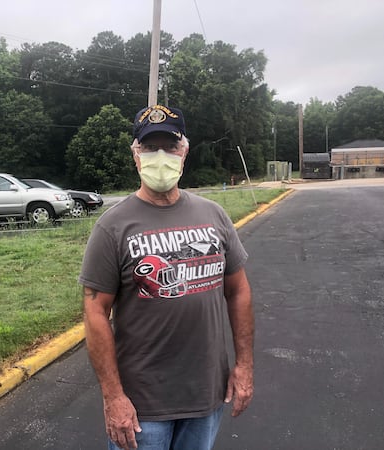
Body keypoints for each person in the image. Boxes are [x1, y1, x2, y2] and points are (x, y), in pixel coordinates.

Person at [80, 104, 254, 450]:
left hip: (206, 394)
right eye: (149, 147)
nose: (161, 156)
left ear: (184, 151)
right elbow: (95, 312)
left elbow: (238, 292)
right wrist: (113, 397)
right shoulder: (113, 226)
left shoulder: (213, 215)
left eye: (170, 146)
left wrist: (244, 365)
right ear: (136, 155)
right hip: (142, 404)